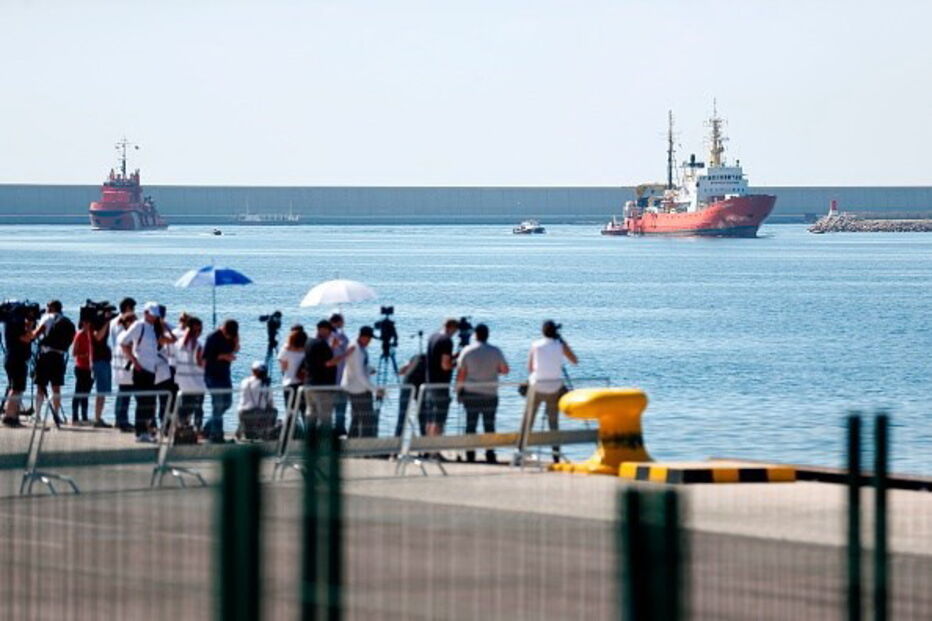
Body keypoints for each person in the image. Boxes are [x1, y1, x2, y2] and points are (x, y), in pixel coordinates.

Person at [526, 320, 578, 462]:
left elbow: (530, 369)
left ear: (543, 331)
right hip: (554, 388)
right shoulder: (560, 345)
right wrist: (563, 343)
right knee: (553, 424)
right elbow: (574, 360)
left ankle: (522, 450)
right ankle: (556, 455)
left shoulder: (535, 345)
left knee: (528, 421)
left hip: (537, 386)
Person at [456, 323, 509, 463]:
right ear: (488, 335)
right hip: (490, 393)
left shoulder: (467, 351)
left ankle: (470, 453)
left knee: (470, 425)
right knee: (489, 425)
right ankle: (490, 453)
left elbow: (461, 373)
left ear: (475, 335)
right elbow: (505, 370)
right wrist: (494, 370)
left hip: (471, 393)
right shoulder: (496, 351)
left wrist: (458, 390)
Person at [119, 302, 162, 442]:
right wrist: (134, 361)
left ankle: (147, 431)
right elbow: (124, 342)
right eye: (152, 314)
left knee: (150, 403)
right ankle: (140, 432)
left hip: (151, 370)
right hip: (141, 370)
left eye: (155, 315)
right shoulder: (139, 325)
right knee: (143, 402)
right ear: (146, 313)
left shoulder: (153, 328)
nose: (154, 317)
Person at [31, 300, 74, 423]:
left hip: (46, 355)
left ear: (52, 307)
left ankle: (38, 415)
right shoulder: (66, 321)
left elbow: (35, 335)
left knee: (41, 385)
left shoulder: (48, 318)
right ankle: (56, 415)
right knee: (56, 388)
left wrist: (31, 328)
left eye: (47, 306)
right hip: (59, 356)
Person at [341, 326, 382, 438]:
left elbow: (358, 367)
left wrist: (369, 369)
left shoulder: (356, 345)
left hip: (353, 387)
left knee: (356, 418)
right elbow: (359, 375)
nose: (369, 341)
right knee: (367, 419)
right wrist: (375, 390)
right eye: (368, 339)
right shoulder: (357, 350)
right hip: (359, 389)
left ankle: (352, 443)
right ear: (362, 337)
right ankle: (366, 446)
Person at [203, 319, 239, 443]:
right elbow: (206, 357)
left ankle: (207, 429)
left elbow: (236, 349)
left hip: (225, 374)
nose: (229, 336)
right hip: (212, 375)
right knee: (217, 404)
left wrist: (236, 340)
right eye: (228, 334)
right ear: (223, 329)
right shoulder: (212, 337)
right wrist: (223, 356)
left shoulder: (231, 337)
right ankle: (216, 436)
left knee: (227, 403)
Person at [423, 318, 458, 437]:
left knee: (430, 418)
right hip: (441, 384)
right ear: (451, 328)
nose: (455, 333)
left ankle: (426, 448)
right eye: (455, 330)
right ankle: (435, 449)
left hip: (429, 382)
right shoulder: (447, 341)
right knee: (439, 419)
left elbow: (437, 358)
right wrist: (456, 364)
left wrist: (454, 356)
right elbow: (445, 365)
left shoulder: (433, 337)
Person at [2, 304, 35, 427]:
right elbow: (27, 338)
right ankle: (9, 416)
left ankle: (14, 416)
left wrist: (27, 325)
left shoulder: (11, 322)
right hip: (16, 359)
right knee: (16, 388)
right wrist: (30, 326)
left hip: (13, 359)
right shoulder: (15, 323)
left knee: (18, 388)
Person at [302, 319, 338, 429]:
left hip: (309, 384)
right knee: (325, 417)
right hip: (322, 386)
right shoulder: (322, 344)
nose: (330, 334)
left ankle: (310, 441)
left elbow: (318, 360)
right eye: (328, 331)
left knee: (311, 414)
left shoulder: (308, 342)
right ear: (322, 329)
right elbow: (328, 363)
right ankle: (324, 442)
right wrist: (345, 355)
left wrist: (332, 348)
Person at [109, 298, 137, 433]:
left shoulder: (113, 321)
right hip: (124, 361)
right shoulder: (122, 323)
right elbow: (125, 341)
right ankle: (122, 421)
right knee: (125, 393)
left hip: (118, 360)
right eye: (132, 308)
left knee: (123, 392)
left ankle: (120, 419)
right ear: (127, 308)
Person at [174, 316, 206, 431]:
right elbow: (200, 363)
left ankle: (181, 426)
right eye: (200, 330)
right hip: (196, 381)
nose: (201, 333)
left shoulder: (178, 343)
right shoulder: (197, 345)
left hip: (183, 381)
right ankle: (198, 428)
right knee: (198, 407)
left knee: (185, 407)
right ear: (196, 330)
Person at [90, 303, 115, 427]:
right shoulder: (97, 322)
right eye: (108, 312)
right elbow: (98, 337)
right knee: (101, 391)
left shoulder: (103, 322)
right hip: (99, 360)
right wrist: (106, 322)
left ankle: (98, 417)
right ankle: (97, 418)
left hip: (104, 359)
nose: (110, 314)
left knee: (104, 391)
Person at [394, 352, 425, 437]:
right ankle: (425, 441)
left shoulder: (416, 357)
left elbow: (402, 370)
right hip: (419, 385)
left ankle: (397, 441)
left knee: (402, 415)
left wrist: (399, 371)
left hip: (408, 384)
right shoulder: (427, 360)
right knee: (422, 416)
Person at [328, 313, 350, 436]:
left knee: (329, 407)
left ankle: (328, 429)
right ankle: (340, 428)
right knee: (341, 405)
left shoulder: (326, 337)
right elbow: (349, 351)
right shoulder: (341, 337)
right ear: (338, 322)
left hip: (329, 378)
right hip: (341, 377)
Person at [277, 326, 307, 413]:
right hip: (304, 383)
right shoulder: (307, 349)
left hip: (289, 383)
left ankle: (291, 426)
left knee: (290, 412)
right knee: (304, 411)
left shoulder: (286, 350)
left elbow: (283, 367)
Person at [70, 319, 94, 424]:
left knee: (86, 393)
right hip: (81, 367)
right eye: (87, 323)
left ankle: (84, 417)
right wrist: (84, 355)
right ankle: (75, 417)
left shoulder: (92, 334)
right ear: (83, 323)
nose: (89, 325)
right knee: (78, 392)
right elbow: (74, 353)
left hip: (90, 368)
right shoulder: (79, 334)